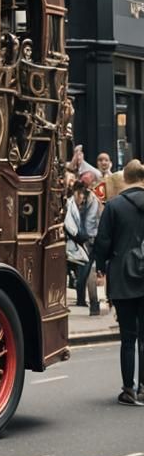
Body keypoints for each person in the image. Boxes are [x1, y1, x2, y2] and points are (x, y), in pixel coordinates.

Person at [92, 158, 144, 406]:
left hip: (123, 276)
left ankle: (129, 390)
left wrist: (101, 268)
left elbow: (102, 242)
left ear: (126, 179)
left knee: (128, 337)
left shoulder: (114, 206)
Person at [72, 172, 102, 314]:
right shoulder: (92, 198)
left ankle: (80, 299)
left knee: (81, 268)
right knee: (90, 270)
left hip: (76, 237)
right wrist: (90, 238)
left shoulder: (73, 197)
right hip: (89, 238)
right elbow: (91, 220)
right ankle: (94, 304)